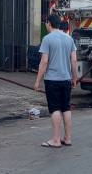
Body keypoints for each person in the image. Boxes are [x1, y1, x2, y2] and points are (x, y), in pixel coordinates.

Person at [34, 13, 78, 148]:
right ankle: (68, 138)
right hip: (66, 79)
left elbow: (44, 61)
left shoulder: (47, 39)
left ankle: (56, 139)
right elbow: (74, 60)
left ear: (48, 23)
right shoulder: (69, 38)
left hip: (52, 80)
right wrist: (74, 78)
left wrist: (37, 81)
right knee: (66, 108)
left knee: (55, 109)